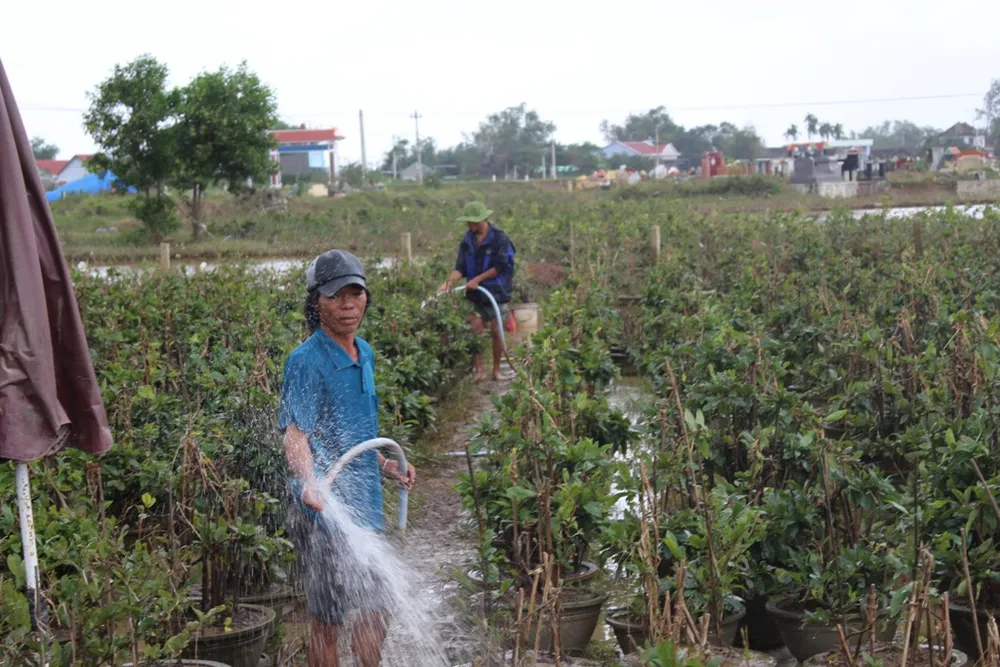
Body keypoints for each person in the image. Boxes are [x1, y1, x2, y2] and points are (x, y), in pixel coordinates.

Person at [279, 249, 416, 667]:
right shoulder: (305, 361)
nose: (348, 305)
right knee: (329, 618)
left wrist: (387, 465)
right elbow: (295, 436)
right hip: (323, 509)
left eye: (356, 294)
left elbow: (355, 435)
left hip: (365, 503)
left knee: (378, 607)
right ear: (317, 301)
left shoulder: (366, 353)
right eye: (337, 296)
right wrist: (310, 483)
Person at [438, 201, 516, 382]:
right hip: (475, 296)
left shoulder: (499, 238)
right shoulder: (467, 241)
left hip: (497, 294)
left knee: (497, 332)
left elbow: (500, 266)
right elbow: (460, 268)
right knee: (475, 330)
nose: (469, 226)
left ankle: (496, 370)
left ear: (482, 220)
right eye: (468, 223)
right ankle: (478, 370)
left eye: (472, 222)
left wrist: (477, 280)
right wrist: (449, 282)